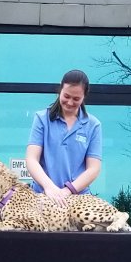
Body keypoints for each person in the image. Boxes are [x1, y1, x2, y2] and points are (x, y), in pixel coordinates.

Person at [26, 68, 103, 199]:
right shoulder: (42, 118)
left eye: (76, 98)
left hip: (78, 200)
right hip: (42, 196)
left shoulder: (93, 125)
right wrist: (49, 187)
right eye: (66, 96)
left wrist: (68, 191)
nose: (70, 102)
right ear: (60, 90)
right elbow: (32, 159)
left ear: (84, 97)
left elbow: (93, 169)